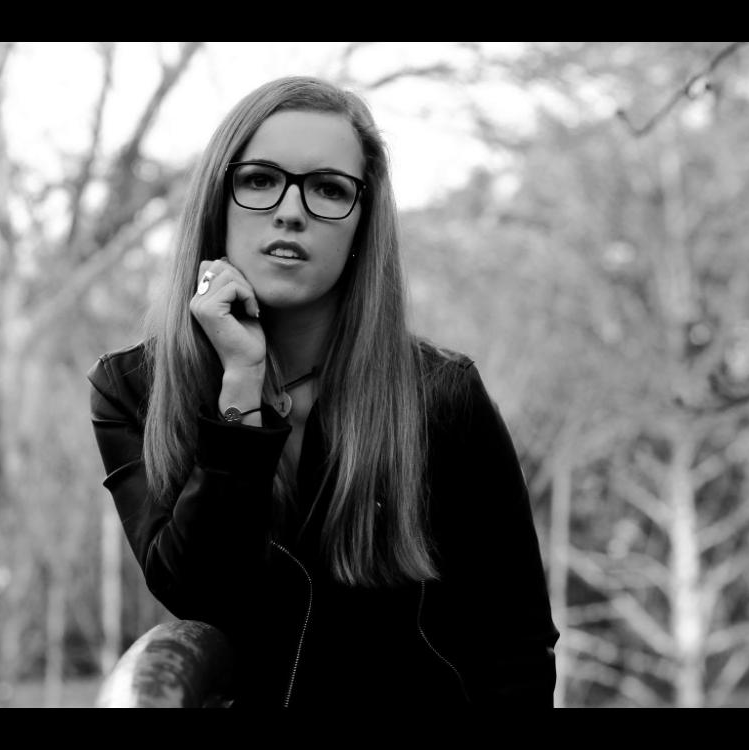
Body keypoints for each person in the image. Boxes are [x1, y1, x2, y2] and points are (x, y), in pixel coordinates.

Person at [87, 76, 559, 708]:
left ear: (362, 227)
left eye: (329, 189)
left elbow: (516, 645)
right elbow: (202, 592)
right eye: (260, 179)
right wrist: (241, 386)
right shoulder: (131, 390)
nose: (291, 211)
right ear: (216, 205)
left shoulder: (443, 397)